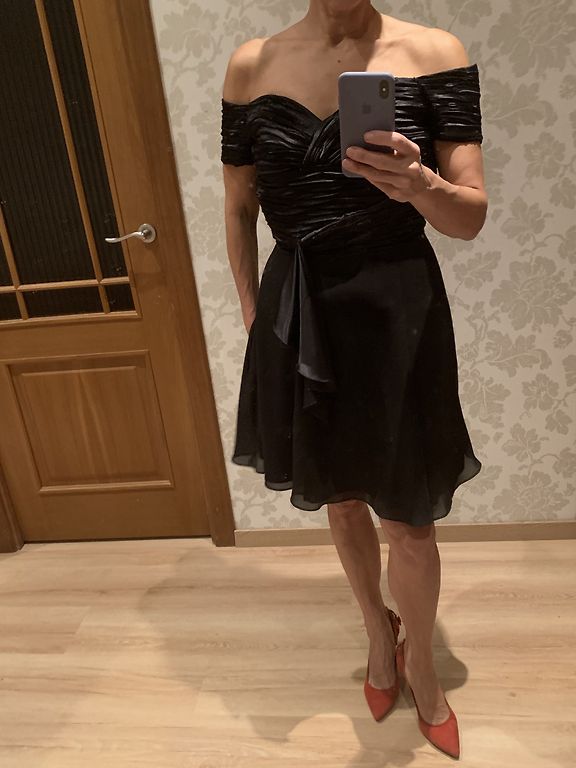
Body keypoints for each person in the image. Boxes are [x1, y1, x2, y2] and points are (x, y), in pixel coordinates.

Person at [220, 0, 487, 759]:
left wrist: (419, 184)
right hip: (299, 307)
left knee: (409, 518)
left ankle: (422, 665)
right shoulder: (252, 64)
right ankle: (378, 630)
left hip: (398, 305)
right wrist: (254, 317)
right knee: (338, 497)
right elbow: (239, 205)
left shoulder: (433, 52)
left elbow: (470, 216)